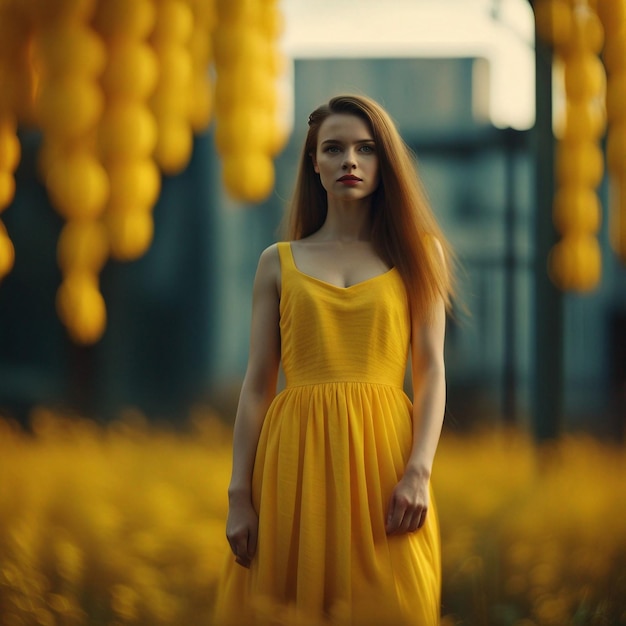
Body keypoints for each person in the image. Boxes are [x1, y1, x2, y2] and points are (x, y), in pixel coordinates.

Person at [213, 94, 455, 626]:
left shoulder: (420, 252)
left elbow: (432, 371)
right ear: (313, 163)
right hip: (290, 468)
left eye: (366, 149)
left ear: (384, 162)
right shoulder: (276, 263)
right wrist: (238, 496)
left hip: (388, 468)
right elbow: (257, 385)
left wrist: (419, 471)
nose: (350, 160)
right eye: (335, 148)